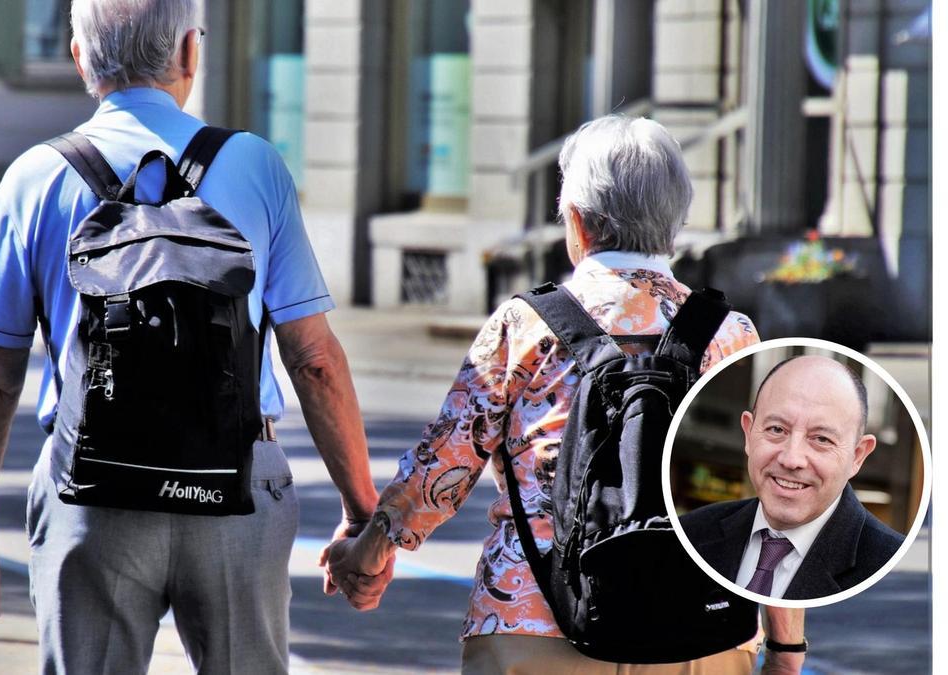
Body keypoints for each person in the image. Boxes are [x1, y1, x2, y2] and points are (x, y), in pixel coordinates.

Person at [0, 1, 391, 671]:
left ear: (78, 57)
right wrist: (363, 512)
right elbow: (314, 357)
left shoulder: (31, 179)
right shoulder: (256, 166)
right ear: (189, 52)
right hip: (237, 487)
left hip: (91, 493)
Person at [323, 115, 806, 674]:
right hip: (702, 627)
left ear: (577, 223)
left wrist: (368, 551)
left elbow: (444, 467)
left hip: (533, 620)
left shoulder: (525, 326)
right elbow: (778, 502)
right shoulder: (731, 336)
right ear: (676, 222)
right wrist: (787, 649)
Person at [680, 355, 905, 600]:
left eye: (821, 439)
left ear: (857, 456)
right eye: (777, 429)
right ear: (748, 433)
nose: (791, 459)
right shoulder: (689, 533)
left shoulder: (892, 566)